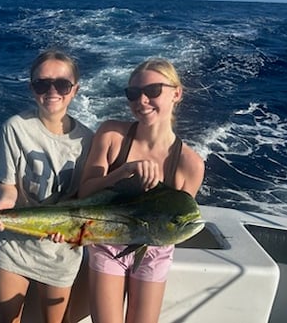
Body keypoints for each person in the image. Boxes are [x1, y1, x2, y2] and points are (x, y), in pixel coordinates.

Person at [78, 58, 205, 323]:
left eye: (153, 91)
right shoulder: (112, 134)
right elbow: (85, 193)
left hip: (154, 251)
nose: (142, 100)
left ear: (177, 93)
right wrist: (123, 171)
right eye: (133, 94)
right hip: (106, 242)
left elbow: (178, 223)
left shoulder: (189, 164)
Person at [0, 49, 93, 323]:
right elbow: (7, 186)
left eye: (62, 84)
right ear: (32, 88)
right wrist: (4, 203)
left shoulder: (88, 140)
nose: (52, 91)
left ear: (75, 90)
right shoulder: (14, 128)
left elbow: (83, 197)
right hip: (15, 243)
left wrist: (68, 231)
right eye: (43, 83)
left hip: (61, 248)